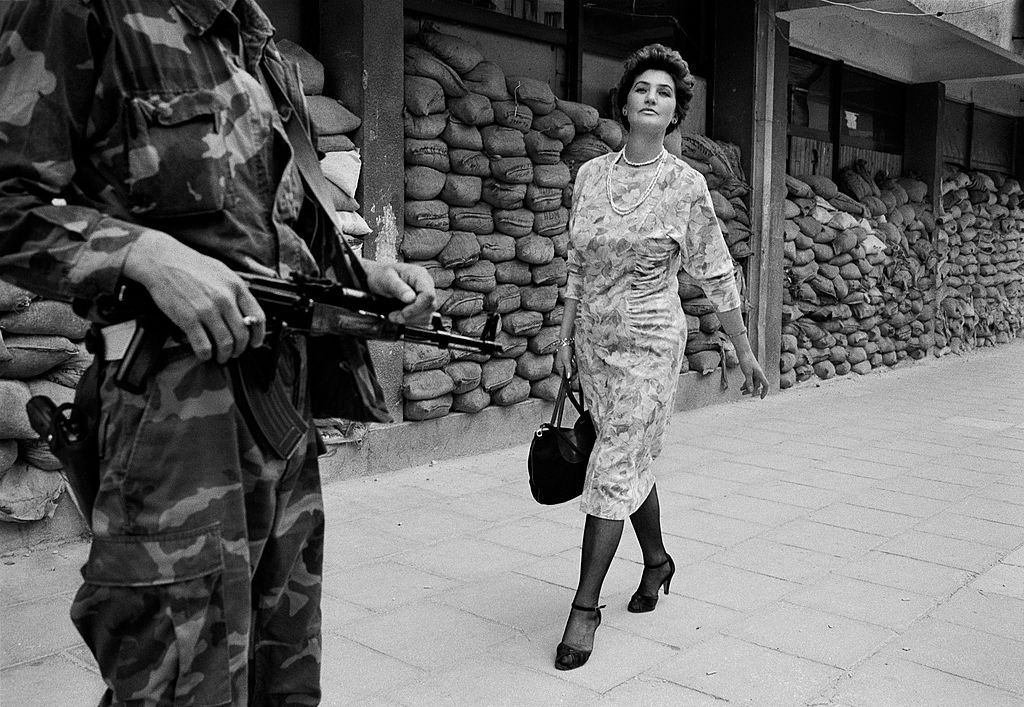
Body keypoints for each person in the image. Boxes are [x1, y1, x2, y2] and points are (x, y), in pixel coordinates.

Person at [0, 1, 434, 704]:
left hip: (279, 417)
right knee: (180, 682)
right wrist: (143, 253)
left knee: (283, 678)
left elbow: (280, 226)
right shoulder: (85, 12)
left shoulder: (259, 46)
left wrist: (362, 280)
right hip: (172, 427)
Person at [552, 43, 769, 671]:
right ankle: (657, 561)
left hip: (650, 346)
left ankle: (584, 609)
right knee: (623, 457)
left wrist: (744, 348)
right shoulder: (591, 176)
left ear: (676, 114)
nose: (653, 97)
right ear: (624, 102)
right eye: (643, 88)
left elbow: (716, 272)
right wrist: (565, 335)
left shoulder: (686, 185)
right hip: (594, 343)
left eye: (666, 92)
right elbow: (577, 262)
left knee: (611, 467)